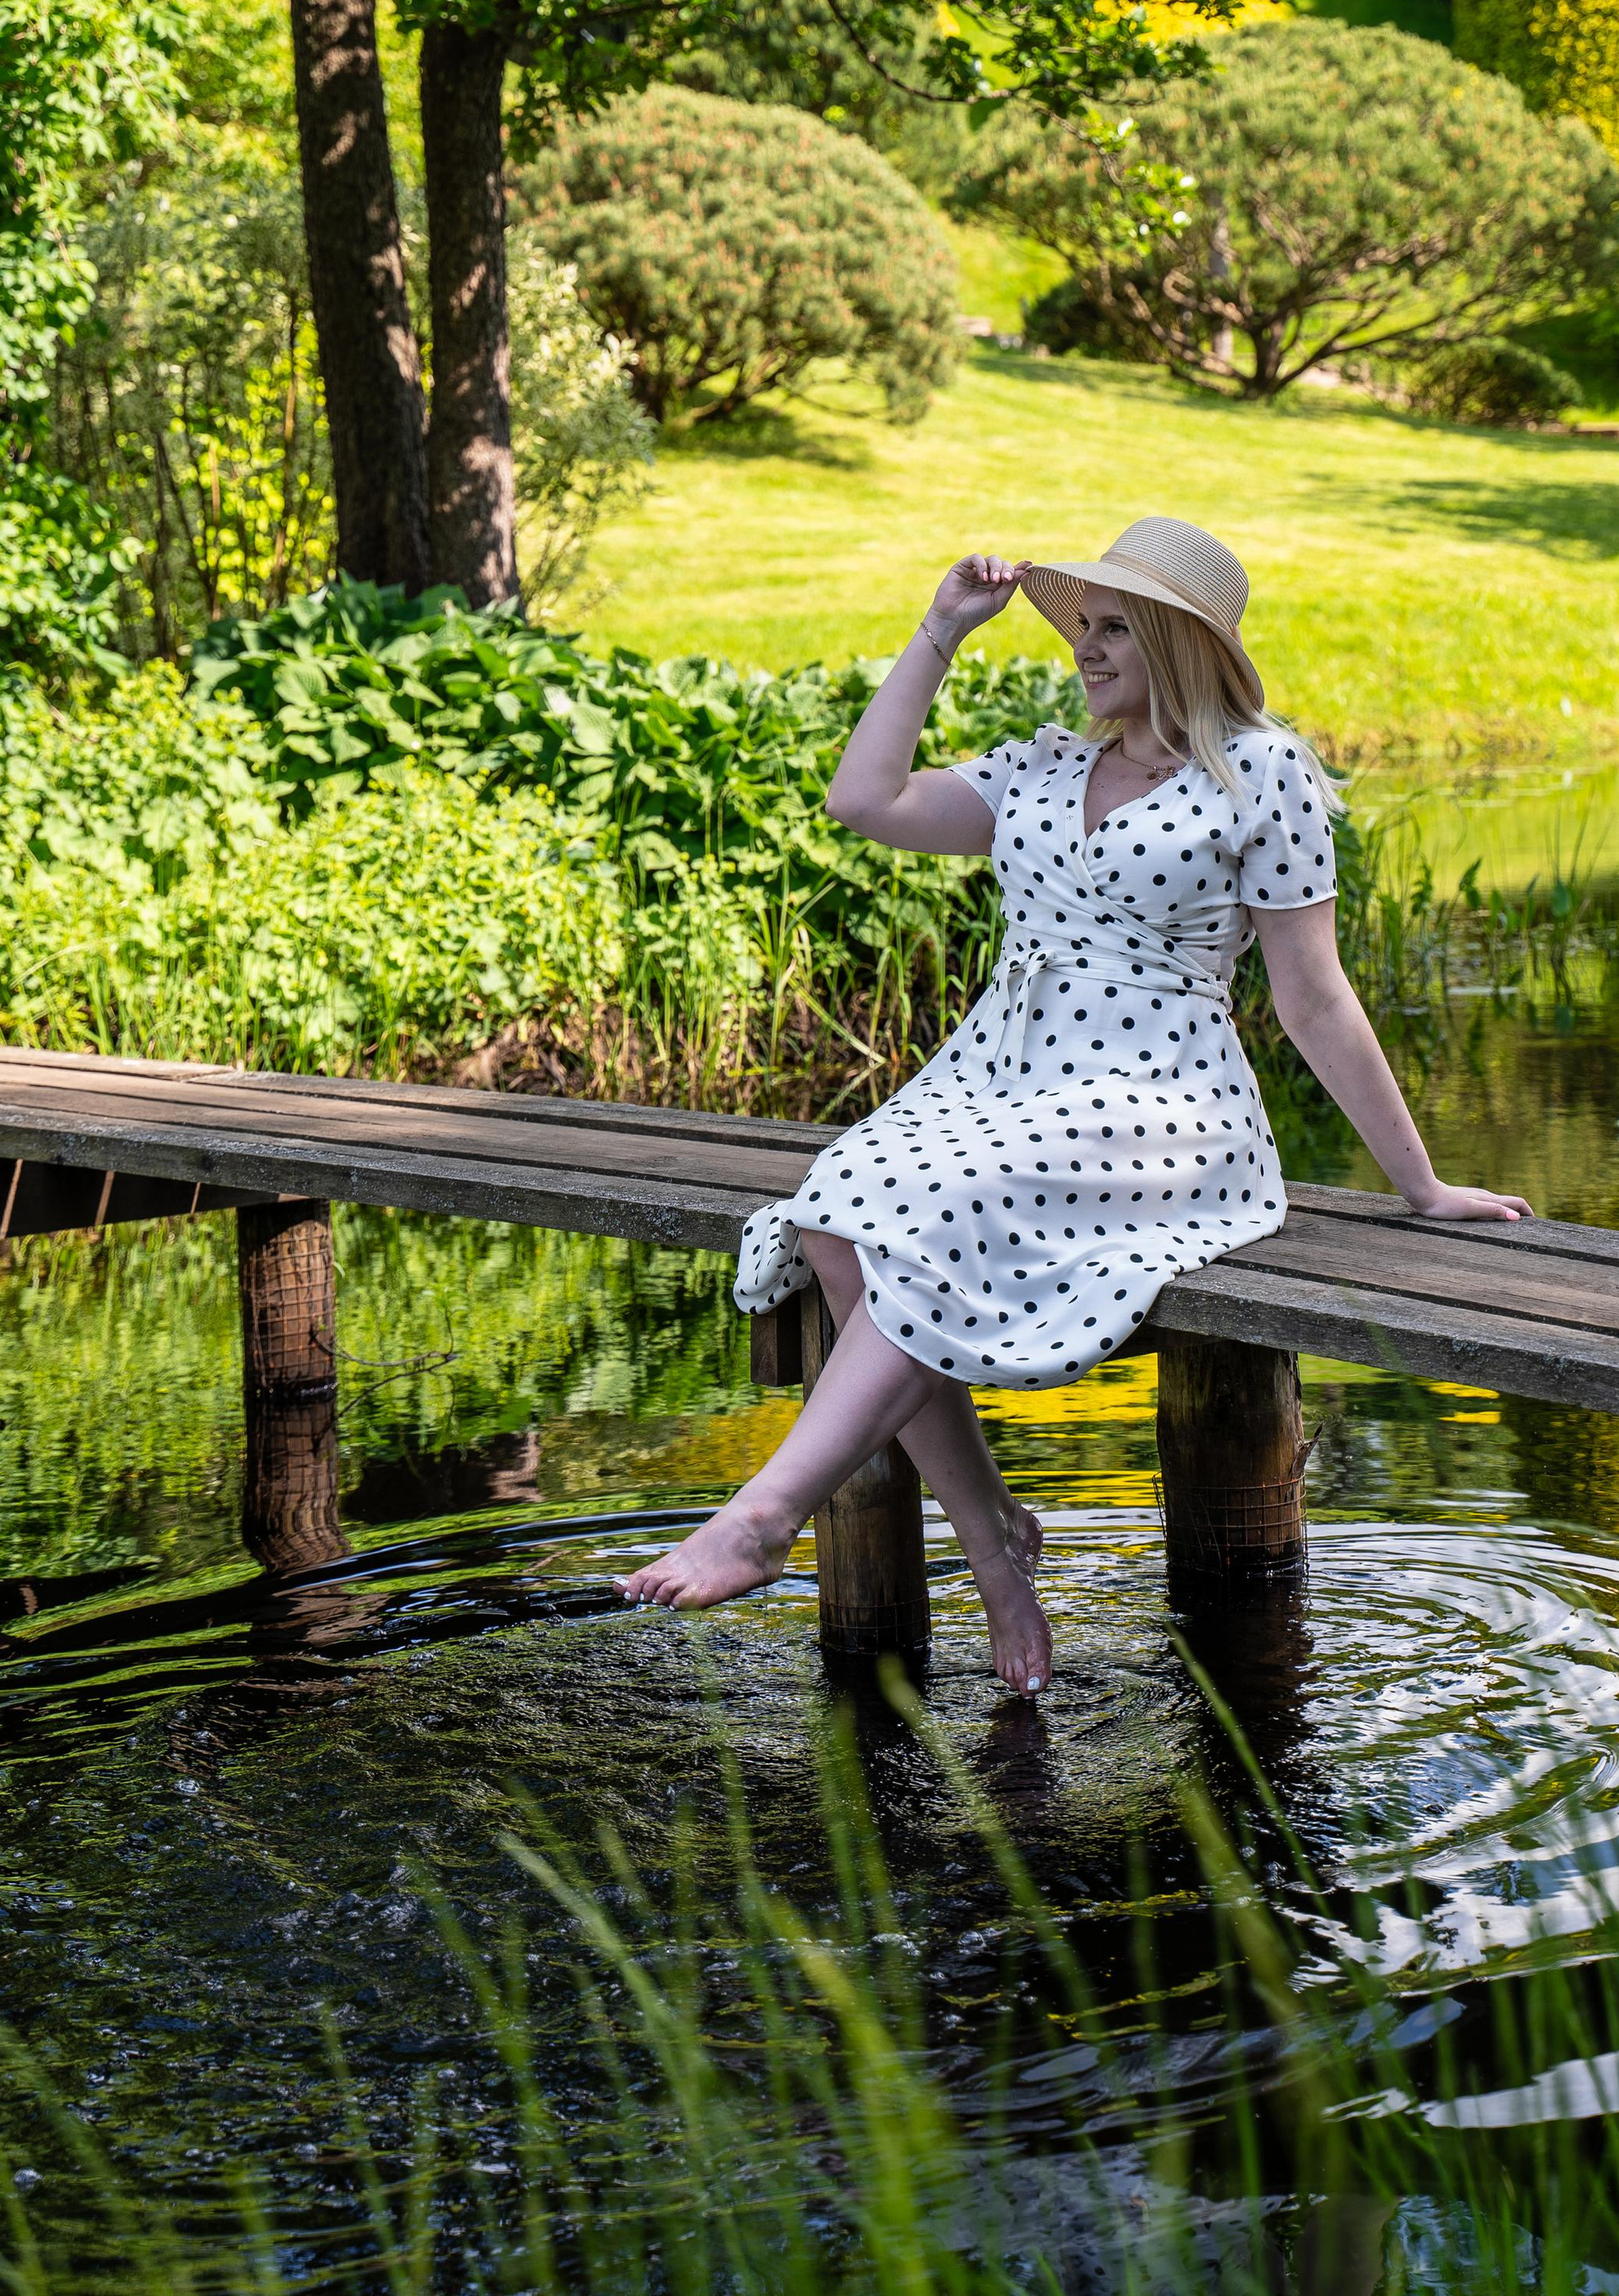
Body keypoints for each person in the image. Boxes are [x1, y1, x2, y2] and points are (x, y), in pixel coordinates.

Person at [618, 516, 1527, 1693]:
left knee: (928, 1211)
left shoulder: (1264, 776)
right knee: (837, 1217)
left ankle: (762, 1516)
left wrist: (1423, 1186)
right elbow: (865, 798)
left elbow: (1314, 997)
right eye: (1082, 625)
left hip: (1164, 1098)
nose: (1085, 650)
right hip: (997, 1075)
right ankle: (997, 1546)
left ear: (1179, 641)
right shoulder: (1039, 766)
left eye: (1113, 629)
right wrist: (937, 635)